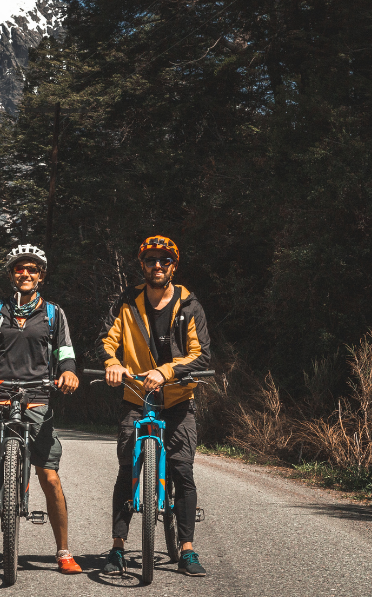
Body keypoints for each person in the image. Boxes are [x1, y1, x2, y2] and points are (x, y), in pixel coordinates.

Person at [0, 244, 82, 576]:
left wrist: (68, 372)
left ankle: (63, 551)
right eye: (19, 269)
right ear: (11, 274)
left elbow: (64, 352)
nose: (26, 274)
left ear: (41, 276)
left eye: (33, 269)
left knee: (49, 477)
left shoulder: (53, 313)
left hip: (38, 397)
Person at [95, 235, 212, 577]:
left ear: (173, 266)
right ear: (142, 264)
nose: (157, 266)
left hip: (177, 398)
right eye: (150, 260)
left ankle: (187, 549)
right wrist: (111, 364)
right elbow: (106, 339)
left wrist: (165, 371)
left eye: (164, 260)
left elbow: (201, 353)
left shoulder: (189, 304)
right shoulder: (128, 301)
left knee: (183, 472)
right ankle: (117, 547)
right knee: (127, 473)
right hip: (136, 397)